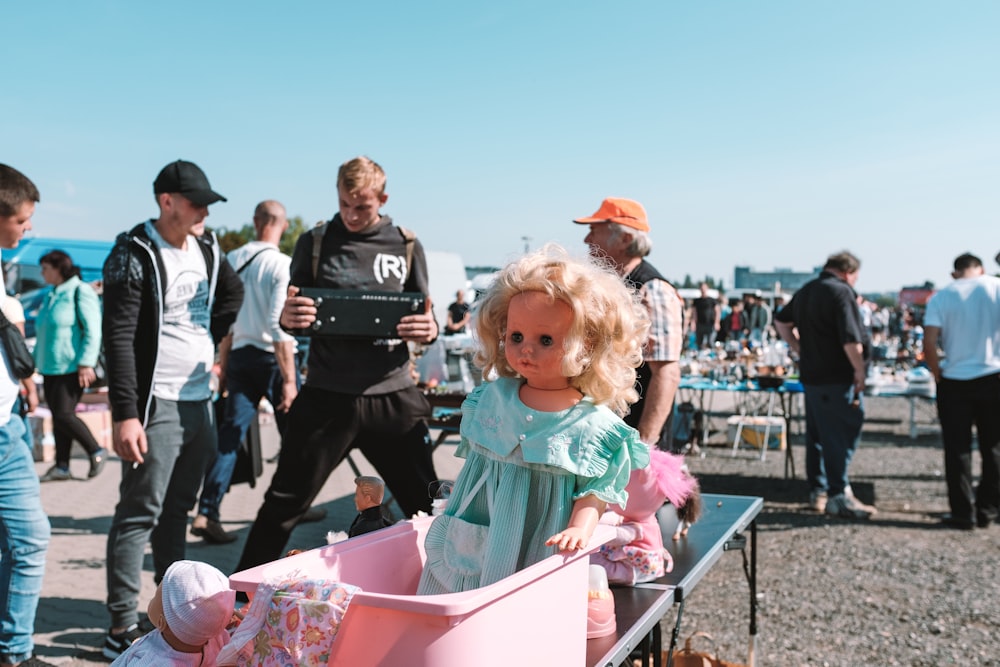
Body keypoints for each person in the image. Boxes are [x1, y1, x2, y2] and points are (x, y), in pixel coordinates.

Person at [234, 155, 439, 573]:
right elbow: (290, 313)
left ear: (382, 199)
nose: (351, 215)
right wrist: (288, 320)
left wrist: (429, 328)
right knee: (282, 506)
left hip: (392, 396)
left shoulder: (406, 244)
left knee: (430, 508)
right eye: (344, 204)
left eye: (361, 207)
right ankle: (236, 601)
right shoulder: (314, 242)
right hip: (326, 397)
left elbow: (427, 313)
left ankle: (452, 593)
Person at [417, 244, 651, 595]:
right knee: (452, 611)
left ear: (586, 345)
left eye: (545, 339)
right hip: (475, 536)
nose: (526, 348)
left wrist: (581, 527)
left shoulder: (593, 427)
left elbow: (596, 491)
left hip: (540, 544)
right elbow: (476, 473)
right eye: (516, 336)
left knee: (523, 616)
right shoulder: (491, 399)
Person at [101, 160, 244, 659]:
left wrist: (209, 343)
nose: (205, 211)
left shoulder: (207, 245)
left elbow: (233, 293)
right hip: (154, 399)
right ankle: (121, 624)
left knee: (177, 510)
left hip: (197, 398)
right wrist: (125, 412)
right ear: (167, 202)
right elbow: (118, 336)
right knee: (139, 512)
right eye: (196, 202)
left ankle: (172, 621)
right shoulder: (134, 251)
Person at [190, 200, 301, 545]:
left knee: (229, 437)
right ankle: (296, 500)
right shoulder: (282, 264)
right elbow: (278, 325)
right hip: (271, 359)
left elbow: (226, 322)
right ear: (281, 226)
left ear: (255, 222)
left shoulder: (232, 260)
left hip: (239, 356)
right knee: (297, 435)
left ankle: (207, 511)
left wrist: (223, 364)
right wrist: (289, 379)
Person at [572, 197, 683, 451]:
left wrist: (644, 444)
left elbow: (666, 372)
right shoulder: (608, 284)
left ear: (624, 239)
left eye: (593, 231)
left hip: (631, 436)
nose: (586, 241)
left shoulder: (652, 290)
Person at [773, 251, 876, 520]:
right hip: (837, 375)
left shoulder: (807, 290)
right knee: (840, 435)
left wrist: (801, 349)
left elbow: (781, 322)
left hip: (814, 375)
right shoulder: (841, 292)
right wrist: (860, 370)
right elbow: (851, 339)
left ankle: (819, 491)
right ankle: (838, 494)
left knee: (818, 436)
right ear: (848, 272)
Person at [0, 164, 54, 667]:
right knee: (27, 539)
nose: (28, 227)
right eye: (22, 219)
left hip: (8, 425)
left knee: (25, 539)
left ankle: (12, 650)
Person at [922, 252, 1000, 530]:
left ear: (955, 272)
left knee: (957, 449)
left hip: (955, 379)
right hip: (994, 376)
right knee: (994, 448)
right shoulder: (996, 288)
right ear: (980, 269)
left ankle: (962, 512)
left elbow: (929, 343)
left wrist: (936, 371)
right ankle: (988, 509)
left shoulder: (942, 296)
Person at [33, 250, 106, 482]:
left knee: (64, 414)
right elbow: (43, 331)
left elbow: (93, 330)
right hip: (49, 366)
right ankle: (61, 466)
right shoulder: (52, 294)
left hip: (72, 366)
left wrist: (86, 362)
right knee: (57, 415)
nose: (42, 273)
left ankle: (95, 450)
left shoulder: (80, 291)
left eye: (46, 268)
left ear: (58, 268)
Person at [110, 560, 236, 666]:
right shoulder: (219, 639)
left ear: (162, 622)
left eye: (155, 597)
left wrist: (142, 648)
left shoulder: (152, 661)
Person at [689, 282, 720, 350]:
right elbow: (694, 313)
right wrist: (693, 322)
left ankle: (711, 354)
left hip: (710, 323)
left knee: (710, 341)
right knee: (699, 342)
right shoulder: (697, 301)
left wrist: (717, 322)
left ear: (707, 289)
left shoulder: (712, 300)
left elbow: (717, 311)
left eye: (704, 288)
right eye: (701, 288)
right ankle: (700, 355)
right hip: (700, 324)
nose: (703, 290)